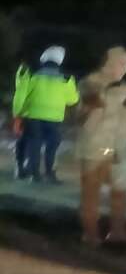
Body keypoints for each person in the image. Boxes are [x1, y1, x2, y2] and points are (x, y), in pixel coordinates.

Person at [77, 46, 126, 246]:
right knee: (92, 193)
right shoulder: (91, 82)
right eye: (121, 63)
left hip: (119, 147)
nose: (125, 68)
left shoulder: (124, 87)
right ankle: (91, 234)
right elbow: (98, 100)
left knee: (120, 192)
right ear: (109, 62)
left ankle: (118, 232)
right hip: (97, 147)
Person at [12, 46, 79, 182]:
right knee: (52, 146)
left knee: (34, 144)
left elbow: (20, 96)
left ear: (43, 59)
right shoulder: (66, 79)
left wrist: (17, 114)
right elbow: (73, 100)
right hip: (54, 118)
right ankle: (50, 173)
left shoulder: (32, 76)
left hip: (33, 116)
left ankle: (34, 173)